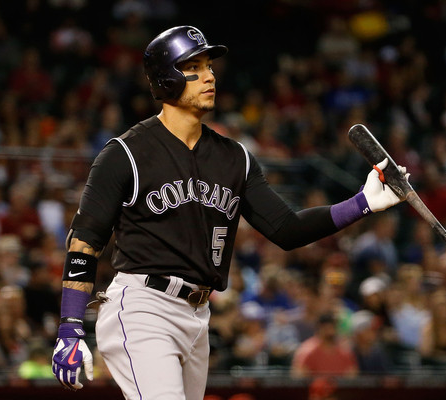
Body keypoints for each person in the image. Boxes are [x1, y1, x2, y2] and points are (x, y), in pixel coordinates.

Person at [50, 25, 407, 399]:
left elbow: (287, 229)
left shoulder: (235, 158)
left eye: (209, 66)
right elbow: (85, 242)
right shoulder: (125, 153)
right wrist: (70, 327)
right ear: (166, 78)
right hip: (144, 307)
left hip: (198, 316)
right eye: (194, 67)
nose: (209, 76)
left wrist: (363, 202)